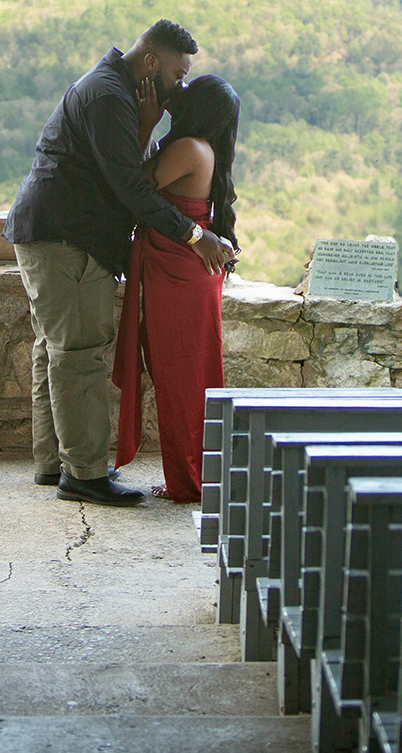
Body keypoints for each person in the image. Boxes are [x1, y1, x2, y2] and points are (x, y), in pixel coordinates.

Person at [3, 20, 237, 507]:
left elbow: (130, 175)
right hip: (66, 237)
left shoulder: (113, 91)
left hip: (54, 232)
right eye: (178, 72)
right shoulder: (109, 97)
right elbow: (130, 187)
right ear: (151, 61)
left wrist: (148, 124)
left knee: (56, 350)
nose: (179, 86)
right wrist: (194, 234)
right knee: (79, 352)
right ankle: (84, 473)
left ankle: (56, 463)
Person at [112, 74, 239, 503]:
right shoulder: (203, 150)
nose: (178, 93)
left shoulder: (187, 149)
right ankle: (193, 476)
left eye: (189, 90)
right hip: (185, 273)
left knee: (179, 378)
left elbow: (134, 183)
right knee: (190, 377)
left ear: (199, 108)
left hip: (178, 275)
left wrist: (146, 123)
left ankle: (188, 481)